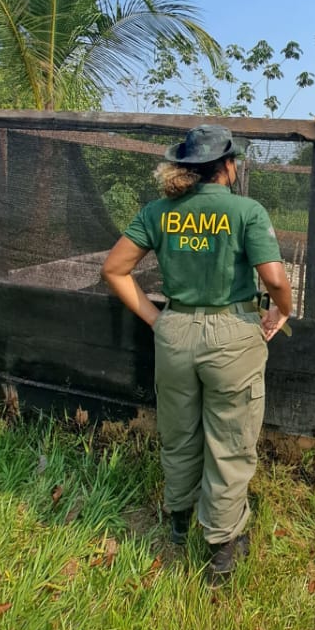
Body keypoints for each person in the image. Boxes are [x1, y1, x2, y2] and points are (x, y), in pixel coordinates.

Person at [100, 124, 293, 585]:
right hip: (233, 335)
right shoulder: (246, 210)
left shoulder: (158, 211)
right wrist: (282, 311)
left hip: (176, 332)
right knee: (230, 441)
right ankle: (221, 549)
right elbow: (275, 278)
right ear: (228, 166)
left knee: (179, 432)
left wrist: (156, 318)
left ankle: (179, 520)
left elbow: (114, 268)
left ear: (186, 167)